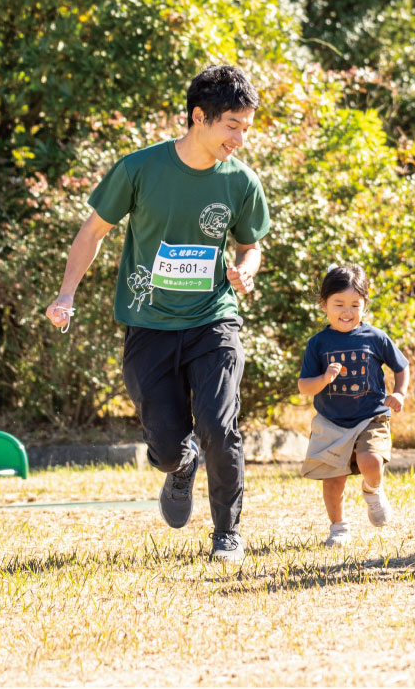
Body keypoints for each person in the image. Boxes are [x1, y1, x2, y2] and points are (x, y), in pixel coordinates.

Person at [45, 64, 270, 562]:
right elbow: (92, 232)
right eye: (232, 125)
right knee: (168, 444)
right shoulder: (139, 169)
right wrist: (66, 295)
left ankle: (227, 533)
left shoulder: (241, 181)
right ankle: (179, 465)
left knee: (218, 423)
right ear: (199, 117)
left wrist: (245, 268)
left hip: (214, 319)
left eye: (246, 128)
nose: (240, 138)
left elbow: (251, 244)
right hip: (149, 324)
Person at [298, 264, 408, 547]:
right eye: (339, 304)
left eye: (354, 305)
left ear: (365, 305)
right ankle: (338, 528)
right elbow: (305, 386)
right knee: (333, 481)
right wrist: (324, 378)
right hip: (331, 422)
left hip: (371, 416)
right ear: (323, 304)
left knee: (370, 461)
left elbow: (401, 367)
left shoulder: (375, 337)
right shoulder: (318, 344)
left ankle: (372, 491)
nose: (347, 312)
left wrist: (401, 393)